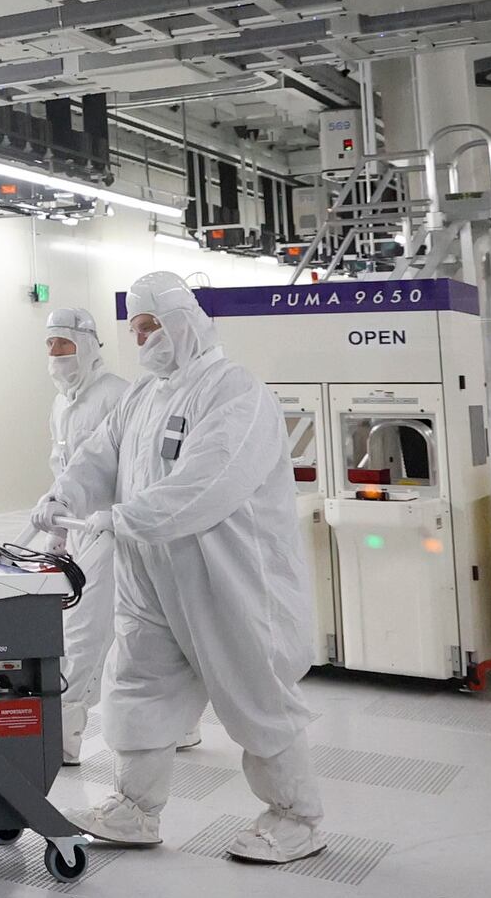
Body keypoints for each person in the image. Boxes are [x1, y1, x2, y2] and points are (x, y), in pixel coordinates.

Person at [42, 271, 326, 861]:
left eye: (152, 326)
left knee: (255, 689)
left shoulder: (235, 392)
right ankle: (136, 808)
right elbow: (101, 454)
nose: (144, 339)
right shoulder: (143, 397)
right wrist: (67, 495)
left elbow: (207, 484)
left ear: (184, 322)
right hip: (150, 574)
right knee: (140, 683)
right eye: (136, 329)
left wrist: (121, 519)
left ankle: (295, 816)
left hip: (226, 577)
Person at [35, 308, 133, 766]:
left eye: (64, 344)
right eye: (50, 344)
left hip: (113, 529)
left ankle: (62, 738)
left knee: (84, 633)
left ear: (89, 345)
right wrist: (56, 524)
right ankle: (180, 727)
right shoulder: (62, 403)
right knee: (102, 630)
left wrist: (116, 518)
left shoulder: (117, 395)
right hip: (77, 530)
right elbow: (64, 466)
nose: (55, 353)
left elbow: (131, 469)